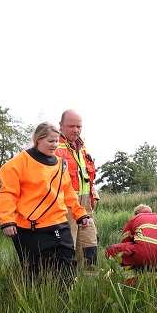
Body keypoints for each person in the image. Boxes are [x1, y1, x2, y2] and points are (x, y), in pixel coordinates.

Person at [0, 122, 91, 280]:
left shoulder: (61, 164)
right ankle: (35, 302)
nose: (54, 145)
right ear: (38, 139)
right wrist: (7, 220)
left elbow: (68, 192)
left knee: (67, 271)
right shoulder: (19, 163)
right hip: (30, 229)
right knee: (34, 276)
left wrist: (80, 214)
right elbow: (8, 193)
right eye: (50, 141)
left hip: (59, 225)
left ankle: (63, 302)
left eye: (56, 141)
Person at [54, 109, 101, 268]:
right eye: (71, 126)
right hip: (64, 207)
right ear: (61, 125)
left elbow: (84, 174)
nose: (76, 130)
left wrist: (92, 192)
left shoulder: (82, 145)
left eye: (79, 126)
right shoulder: (53, 145)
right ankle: (66, 285)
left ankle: (89, 286)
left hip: (85, 207)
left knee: (90, 246)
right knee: (68, 247)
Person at [104, 204, 157, 269]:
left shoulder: (134, 219)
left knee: (110, 250)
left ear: (136, 214)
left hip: (143, 257)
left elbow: (126, 241)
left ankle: (129, 277)